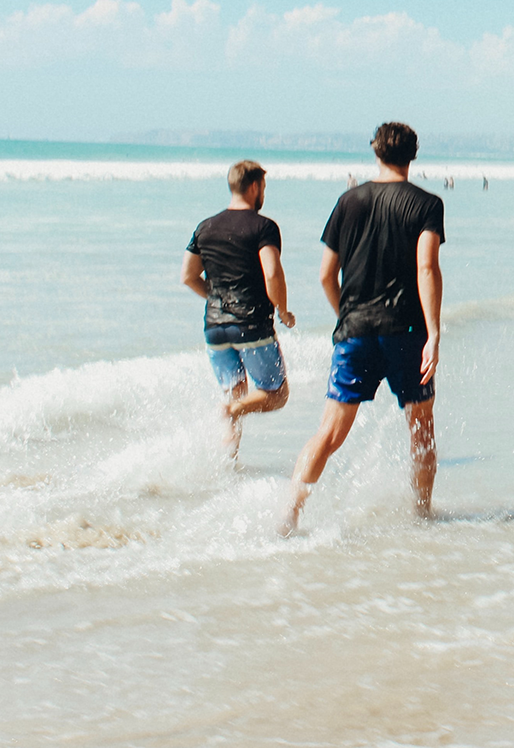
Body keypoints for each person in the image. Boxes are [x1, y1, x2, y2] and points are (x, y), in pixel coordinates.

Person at [281, 123, 445, 534]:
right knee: (420, 427)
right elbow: (426, 266)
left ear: (376, 153)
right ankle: (422, 516)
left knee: (329, 432)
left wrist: (347, 316)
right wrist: (434, 332)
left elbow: (325, 275)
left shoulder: (347, 201)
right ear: (414, 155)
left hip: (354, 330)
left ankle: (288, 515)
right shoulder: (427, 204)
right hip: (406, 331)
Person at [182, 160, 294, 458]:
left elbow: (188, 276)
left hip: (215, 328)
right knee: (276, 395)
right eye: (264, 188)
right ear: (255, 187)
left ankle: (226, 469)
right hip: (251, 325)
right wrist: (282, 310)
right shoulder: (264, 226)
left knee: (235, 398)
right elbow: (272, 273)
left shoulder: (205, 227)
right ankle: (232, 410)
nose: (264, 195)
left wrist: (216, 297)